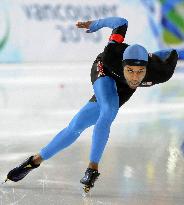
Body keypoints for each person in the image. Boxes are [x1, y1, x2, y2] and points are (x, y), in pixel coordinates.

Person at [5, 17, 178, 192]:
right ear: (123, 66)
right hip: (104, 71)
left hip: (123, 86)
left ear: (147, 69)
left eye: (140, 72)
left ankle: (34, 161)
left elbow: (171, 52)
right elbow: (121, 23)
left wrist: (153, 55)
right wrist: (95, 24)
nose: (135, 77)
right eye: (130, 71)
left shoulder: (160, 73)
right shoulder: (112, 54)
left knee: (76, 126)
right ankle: (92, 167)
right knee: (108, 110)